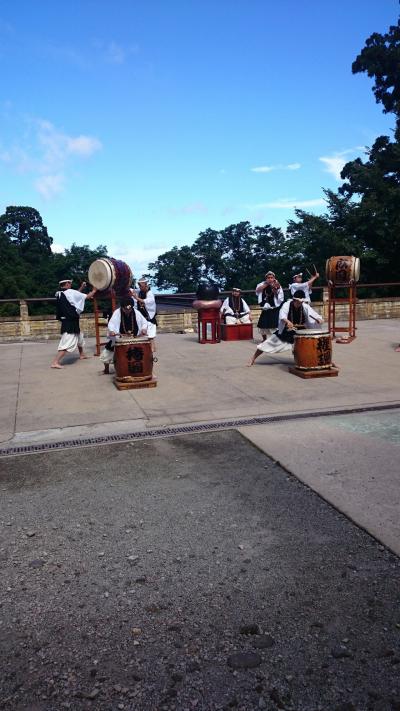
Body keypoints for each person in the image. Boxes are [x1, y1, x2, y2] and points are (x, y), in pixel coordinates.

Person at [247, 289, 323, 366]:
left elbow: (313, 314)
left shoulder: (304, 306)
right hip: (286, 331)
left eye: (301, 302)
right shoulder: (287, 305)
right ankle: (253, 358)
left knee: (310, 346)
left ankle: (313, 361)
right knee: (267, 344)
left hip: (300, 332)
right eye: (298, 302)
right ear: (294, 300)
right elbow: (282, 315)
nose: (300, 303)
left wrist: (319, 319)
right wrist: (287, 321)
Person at [99, 297, 156, 374]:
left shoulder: (136, 312)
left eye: (129, 309)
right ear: (122, 307)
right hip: (119, 337)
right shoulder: (117, 312)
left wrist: (144, 329)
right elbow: (111, 323)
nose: (128, 311)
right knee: (108, 350)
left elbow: (144, 322)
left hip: (134, 337)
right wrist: (112, 331)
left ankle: (137, 369)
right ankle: (106, 369)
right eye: (126, 309)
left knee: (139, 353)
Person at [50, 279, 97, 369]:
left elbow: (74, 296)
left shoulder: (60, 293)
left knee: (79, 337)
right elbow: (85, 297)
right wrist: (94, 290)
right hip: (70, 321)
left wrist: (81, 288)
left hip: (68, 319)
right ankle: (55, 362)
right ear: (67, 284)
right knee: (67, 342)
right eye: (70, 283)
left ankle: (82, 354)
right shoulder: (70, 292)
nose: (71, 284)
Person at [255, 271, 284, 340]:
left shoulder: (277, 284)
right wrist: (267, 284)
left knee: (274, 325)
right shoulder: (261, 284)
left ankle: (275, 339)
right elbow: (257, 290)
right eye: (268, 278)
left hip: (274, 307)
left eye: (271, 277)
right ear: (266, 278)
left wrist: (275, 290)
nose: (270, 279)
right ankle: (264, 339)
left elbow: (279, 296)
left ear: (274, 278)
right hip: (265, 307)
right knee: (262, 324)